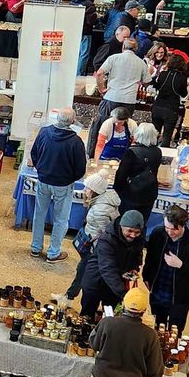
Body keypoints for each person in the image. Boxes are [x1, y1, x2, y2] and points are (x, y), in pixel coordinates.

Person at [29, 109, 87, 262]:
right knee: (61, 218)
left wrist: (41, 170)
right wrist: (70, 178)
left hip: (43, 180)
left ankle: (35, 247)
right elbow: (81, 168)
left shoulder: (44, 132)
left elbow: (34, 153)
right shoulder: (76, 141)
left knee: (39, 214)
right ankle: (53, 252)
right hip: (63, 184)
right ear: (73, 121)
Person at [58, 171, 122, 306]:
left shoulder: (100, 210)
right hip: (95, 246)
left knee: (83, 272)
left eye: (87, 188)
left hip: (95, 248)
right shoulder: (103, 202)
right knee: (82, 271)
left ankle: (69, 298)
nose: (84, 190)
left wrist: (95, 249)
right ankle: (69, 296)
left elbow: (103, 234)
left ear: (95, 191)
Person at [143, 206, 189, 331]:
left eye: (174, 229)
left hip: (180, 297)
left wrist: (180, 265)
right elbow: (150, 258)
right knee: (156, 326)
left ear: (183, 225)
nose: (169, 232)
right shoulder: (158, 234)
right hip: (158, 290)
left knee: (175, 330)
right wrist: (146, 276)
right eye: (166, 227)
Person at [79, 211, 146, 318]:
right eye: (130, 231)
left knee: (111, 319)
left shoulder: (138, 238)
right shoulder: (107, 240)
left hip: (115, 286)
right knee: (87, 317)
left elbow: (137, 254)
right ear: (121, 226)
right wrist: (125, 294)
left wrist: (134, 268)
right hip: (96, 282)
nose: (133, 235)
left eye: (137, 232)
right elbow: (107, 269)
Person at [90, 39, 151, 155]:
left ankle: (95, 155)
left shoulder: (114, 58)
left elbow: (99, 73)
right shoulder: (141, 63)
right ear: (136, 49)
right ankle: (123, 155)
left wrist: (102, 88)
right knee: (125, 129)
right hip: (129, 100)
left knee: (103, 126)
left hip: (112, 97)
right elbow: (147, 81)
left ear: (123, 46)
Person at [113, 123, 163, 220]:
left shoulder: (132, 152)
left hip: (131, 195)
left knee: (127, 222)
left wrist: (117, 191)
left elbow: (121, 176)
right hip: (149, 193)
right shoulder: (158, 152)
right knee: (142, 222)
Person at [151, 54, 189, 146]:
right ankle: (163, 156)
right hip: (171, 109)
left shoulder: (163, 74)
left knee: (154, 134)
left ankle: (152, 151)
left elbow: (156, 86)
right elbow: (184, 94)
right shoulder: (182, 78)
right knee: (167, 136)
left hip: (158, 106)